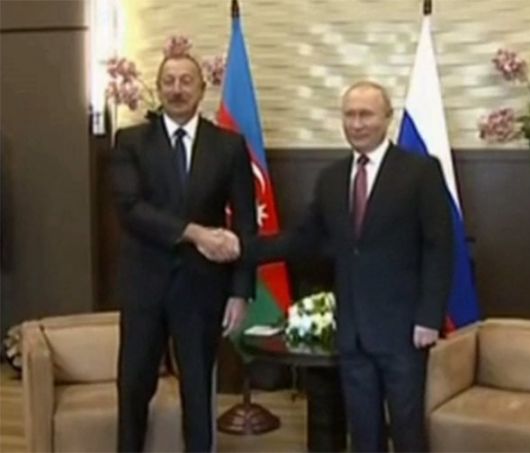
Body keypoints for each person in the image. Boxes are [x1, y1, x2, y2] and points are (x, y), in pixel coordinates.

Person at [247, 80, 453, 451]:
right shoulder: (331, 178)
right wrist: (241, 248)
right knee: (362, 433)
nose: (357, 124)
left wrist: (429, 318)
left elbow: (440, 248)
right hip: (353, 331)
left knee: (407, 430)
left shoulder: (420, 172)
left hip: (404, 329)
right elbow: (304, 239)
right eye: (349, 115)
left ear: (387, 118)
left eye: (366, 115)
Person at [110, 53, 257, 452]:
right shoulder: (131, 141)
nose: (177, 89)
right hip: (144, 286)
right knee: (133, 389)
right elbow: (130, 208)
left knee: (198, 392)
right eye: (169, 81)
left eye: (186, 80)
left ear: (202, 88)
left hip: (202, 289)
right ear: (159, 89)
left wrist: (241, 292)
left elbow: (246, 224)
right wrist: (195, 234)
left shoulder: (228, 146)